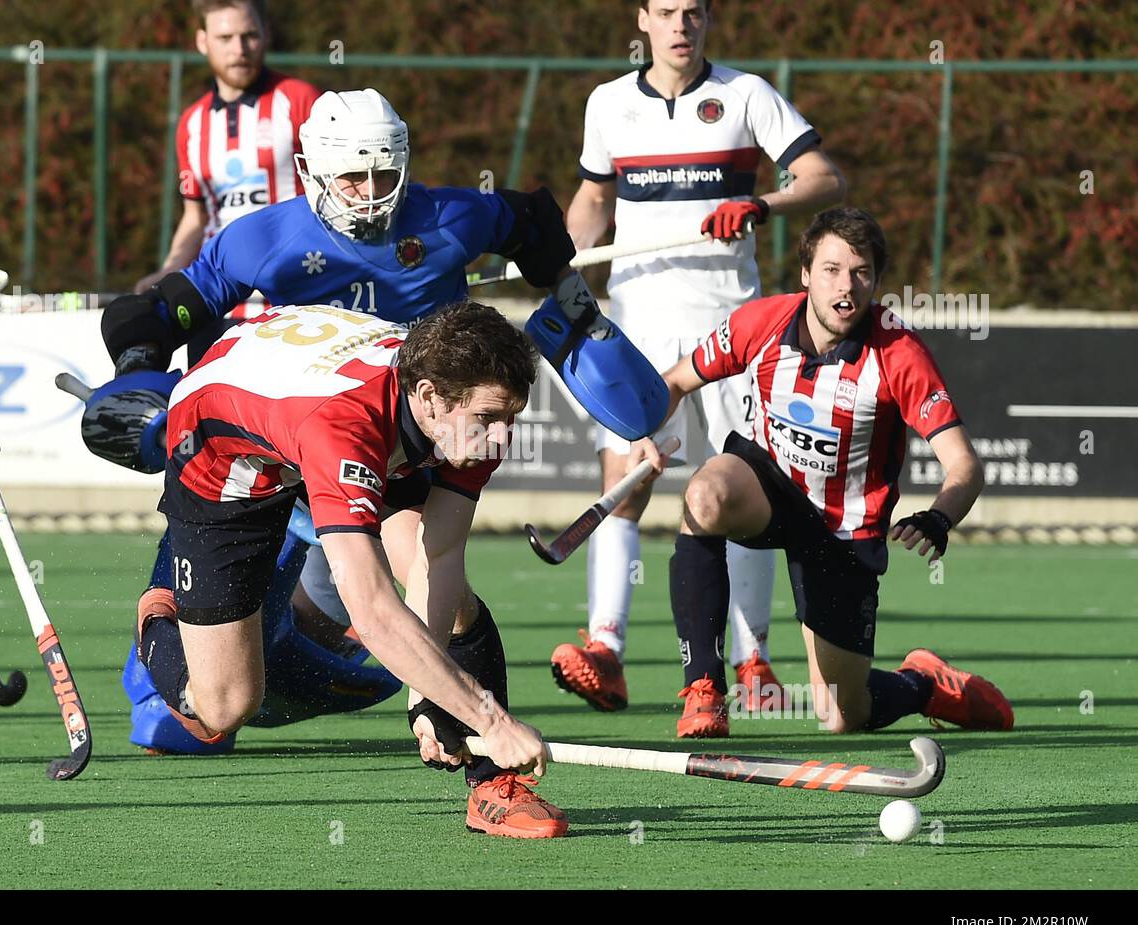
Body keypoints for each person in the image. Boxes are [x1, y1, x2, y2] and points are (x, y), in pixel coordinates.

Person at [100, 90, 667, 780]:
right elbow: (156, 310)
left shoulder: (456, 233)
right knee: (199, 718)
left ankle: (490, 784)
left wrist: (569, 296)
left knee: (437, 591)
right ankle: (179, 625)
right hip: (280, 448)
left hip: (414, 430)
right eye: (352, 177)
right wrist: (135, 371)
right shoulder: (259, 238)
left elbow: (534, 221)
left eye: (384, 175)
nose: (371, 195)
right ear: (312, 172)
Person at [140, 299, 572, 838]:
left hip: (329, 418)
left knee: (449, 593)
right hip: (223, 454)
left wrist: (428, 699)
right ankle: (162, 609)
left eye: (510, 419)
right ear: (429, 397)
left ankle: (493, 788)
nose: (502, 439)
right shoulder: (345, 428)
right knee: (224, 708)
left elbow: (438, 558)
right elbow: (370, 609)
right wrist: (490, 719)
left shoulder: (471, 415)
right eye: (489, 419)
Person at [554, 0, 847, 732]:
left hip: (734, 336)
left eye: (693, 11)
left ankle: (752, 662)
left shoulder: (747, 96)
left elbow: (822, 177)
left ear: (708, 19)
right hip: (638, 335)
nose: (681, 24)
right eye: (667, 11)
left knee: (738, 499)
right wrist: (559, 259)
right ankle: (606, 649)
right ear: (643, 20)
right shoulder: (610, 104)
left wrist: (761, 203)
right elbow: (594, 200)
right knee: (624, 486)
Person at [627, 207, 1013, 736]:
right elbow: (671, 383)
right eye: (831, 270)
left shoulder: (898, 353)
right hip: (768, 484)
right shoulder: (758, 322)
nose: (846, 287)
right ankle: (704, 690)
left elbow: (964, 465)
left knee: (841, 715)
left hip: (843, 530)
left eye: (861, 273)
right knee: (705, 495)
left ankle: (924, 683)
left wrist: (939, 518)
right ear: (806, 273)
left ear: (876, 281)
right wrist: (641, 432)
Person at [134, 0, 319, 340]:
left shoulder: (300, 100)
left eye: (249, 35)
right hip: (215, 307)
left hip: (292, 307)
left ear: (266, 35)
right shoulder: (192, 123)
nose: (239, 49)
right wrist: (168, 270)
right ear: (202, 41)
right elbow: (196, 216)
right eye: (226, 37)